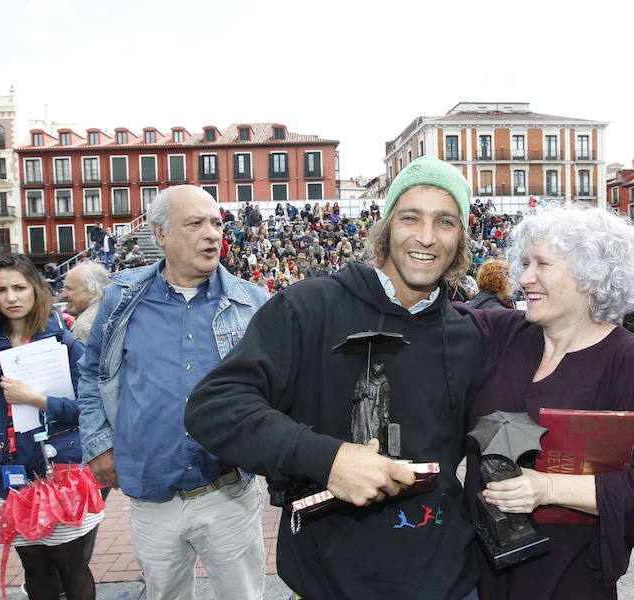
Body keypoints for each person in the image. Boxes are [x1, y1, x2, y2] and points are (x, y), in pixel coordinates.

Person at [186, 156, 484, 600]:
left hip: (443, 579)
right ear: (385, 226)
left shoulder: (469, 336)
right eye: (410, 217)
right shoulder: (307, 308)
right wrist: (328, 459)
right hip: (328, 580)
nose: (426, 236)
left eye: (445, 221)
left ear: (461, 237)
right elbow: (214, 408)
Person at [457, 206, 634, 600]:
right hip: (480, 573)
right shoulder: (503, 334)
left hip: (568, 577)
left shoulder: (627, 361)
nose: (524, 278)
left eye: (542, 263)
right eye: (524, 262)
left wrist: (547, 488)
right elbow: (422, 319)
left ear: (590, 277)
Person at [77, 185, 269, 600]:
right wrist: (98, 443)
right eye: (196, 223)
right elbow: (93, 373)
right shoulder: (122, 298)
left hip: (227, 490)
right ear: (159, 234)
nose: (213, 234)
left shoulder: (253, 303)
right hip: (152, 493)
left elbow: (276, 388)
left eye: (217, 223)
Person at [0, 253, 100, 599]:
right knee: (33, 566)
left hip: (63, 472)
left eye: (19, 287)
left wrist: (37, 399)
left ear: (35, 290)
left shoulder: (66, 343)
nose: (11, 297)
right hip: (12, 475)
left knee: (71, 564)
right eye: (1, 290)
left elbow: (91, 408)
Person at [61, 263, 109, 344]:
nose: (63, 295)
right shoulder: (111, 311)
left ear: (92, 291)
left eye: (69, 289)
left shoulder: (85, 327)